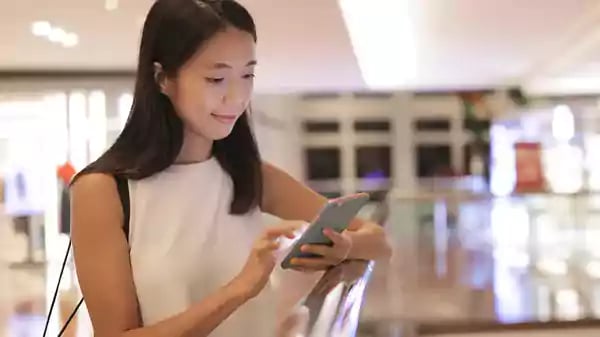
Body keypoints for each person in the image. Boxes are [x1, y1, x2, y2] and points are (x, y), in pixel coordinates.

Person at [69, 0, 391, 336]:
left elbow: (378, 239)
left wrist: (347, 250)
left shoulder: (247, 174)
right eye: (217, 78)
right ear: (163, 79)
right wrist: (240, 288)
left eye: (247, 74)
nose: (237, 97)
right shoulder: (103, 191)